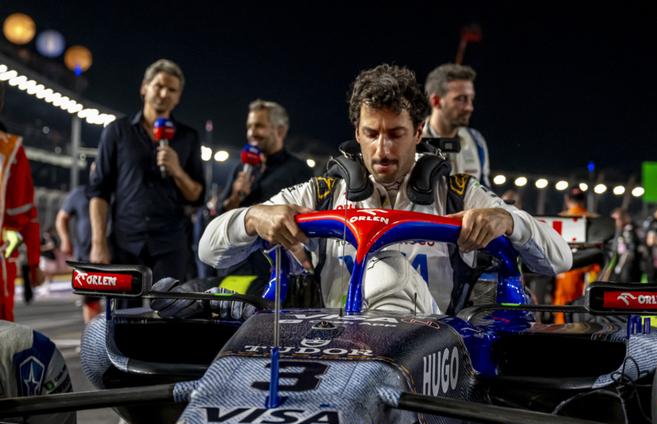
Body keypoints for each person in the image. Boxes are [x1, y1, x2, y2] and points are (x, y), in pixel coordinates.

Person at [198, 64, 571, 314]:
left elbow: (559, 260)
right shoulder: (324, 193)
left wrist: (507, 220)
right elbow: (210, 251)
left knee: (387, 270)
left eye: (396, 134)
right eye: (371, 134)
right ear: (357, 134)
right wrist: (252, 217)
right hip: (335, 357)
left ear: (419, 132)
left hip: (431, 370)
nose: (383, 149)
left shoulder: (457, 193)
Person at [88, 59, 205, 283]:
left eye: (172, 90)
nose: (164, 93)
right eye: (158, 86)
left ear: (178, 97)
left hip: (171, 242)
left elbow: (197, 196)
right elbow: (99, 191)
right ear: (144, 87)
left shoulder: (188, 137)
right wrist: (98, 243)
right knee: (122, 315)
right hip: (125, 240)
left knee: (170, 312)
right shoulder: (117, 132)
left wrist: (177, 170)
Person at [215, 100, 312, 288]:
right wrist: (236, 195)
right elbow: (222, 218)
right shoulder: (240, 169)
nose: (252, 133)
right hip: (236, 268)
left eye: (259, 126)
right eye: (249, 126)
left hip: (275, 272)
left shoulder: (298, 170)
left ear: (280, 131)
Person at [0, 86, 42, 321]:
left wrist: (32, 263)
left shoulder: (11, 151)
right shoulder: (10, 150)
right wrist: (32, 264)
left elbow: (27, 215)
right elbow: (27, 215)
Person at [423, 63, 491, 188]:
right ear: (436, 101)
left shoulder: (476, 140)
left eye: (471, 99)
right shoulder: (410, 139)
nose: (470, 107)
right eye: (461, 99)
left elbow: (484, 190)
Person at [56, 169, 103, 322]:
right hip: (85, 257)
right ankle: (93, 340)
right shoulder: (79, 194)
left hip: (112, 254)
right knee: (90, 302)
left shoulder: (116, 191)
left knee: (117, 301)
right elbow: (61, 218)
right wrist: (65, 239)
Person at [552, 186, 597, 322]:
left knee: (563, 305)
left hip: (567, 268)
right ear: (583, 200)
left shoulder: (561, 218)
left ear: (567, 200)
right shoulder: (594, 218)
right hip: (591, 268)